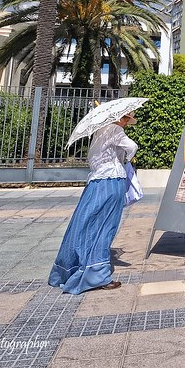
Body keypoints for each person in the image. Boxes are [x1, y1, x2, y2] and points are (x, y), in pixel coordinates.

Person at [49, 109, 139, 294]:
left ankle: (69, 268)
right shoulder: (115, 130)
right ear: (119, 118)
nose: (126, 123)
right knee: (105, 227)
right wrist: (126, 160)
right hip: (112, 180)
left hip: (95, 182)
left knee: (84, 224)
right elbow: (132, 146)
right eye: (125, 118)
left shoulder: (99, 132)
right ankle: (97, 275)